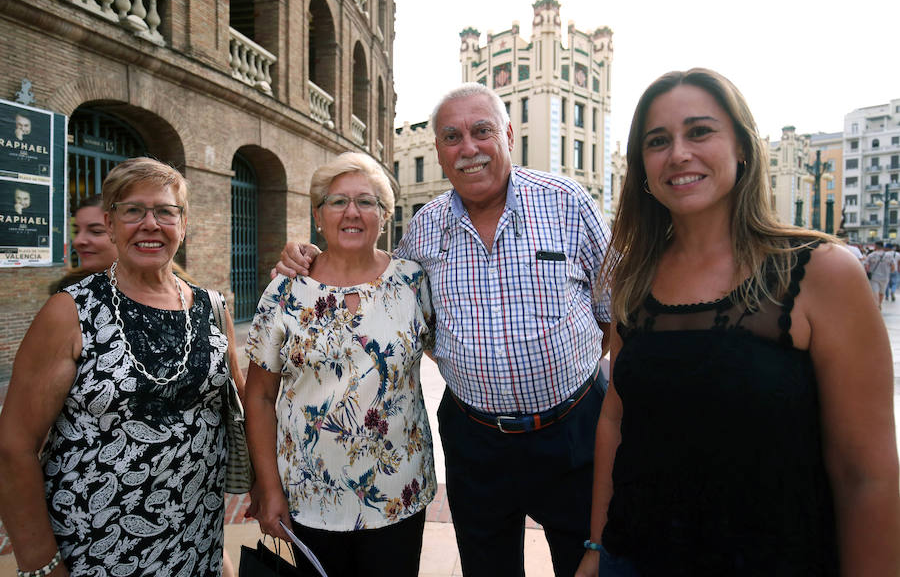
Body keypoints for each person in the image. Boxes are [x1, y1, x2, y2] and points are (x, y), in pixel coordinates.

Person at [277, 83, 612, 576]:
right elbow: (396, 308)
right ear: (437, 151)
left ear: (509, 136)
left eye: (482, 132)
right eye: (452, 137)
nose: (468, 148)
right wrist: (307, 257)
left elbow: (614, 313)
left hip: (572, 433)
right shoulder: (424, 230)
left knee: (587, 565)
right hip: (476, 441)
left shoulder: (568, 204)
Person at [575, 68, 900, 576]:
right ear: (641, 166)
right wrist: (596, 549)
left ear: (743, 148)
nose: (679, 152)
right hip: (633, 559)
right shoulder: (633, 277)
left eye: (699, 131)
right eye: (657, 141)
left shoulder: (820, 271)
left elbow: (866, 475)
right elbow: (616, 419)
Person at [0, 157, 243, 576]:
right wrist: (42, 566)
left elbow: (244, 407)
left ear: (183, 225)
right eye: (133, 210)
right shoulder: (71, 312)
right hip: (96, 551)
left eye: (166, 211)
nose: (151, 223)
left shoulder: (211, 307)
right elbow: (13, 448)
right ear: (112, 224)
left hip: (196, 543)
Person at [244, 152, 436, 576]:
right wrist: (268, 487)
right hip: (309, 495)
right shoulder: (285, 290)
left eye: (366, 201)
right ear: (318, 214)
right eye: (338, 201)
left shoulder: (412, 282)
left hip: (397, 494)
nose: (353, 212)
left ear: (384, 216)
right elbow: (258, 394)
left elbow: (453, 352)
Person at [865, 240, 895, 309]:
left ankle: (877, 305)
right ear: (883, 246)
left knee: (875, 292)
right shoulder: (889, 255)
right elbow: (893, 267)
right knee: (882, 292)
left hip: (874, 277)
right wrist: (889, 272)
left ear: (875, 246)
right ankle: (879, 304)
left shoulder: (871, 255)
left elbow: (866, 266)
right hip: (885, 277)